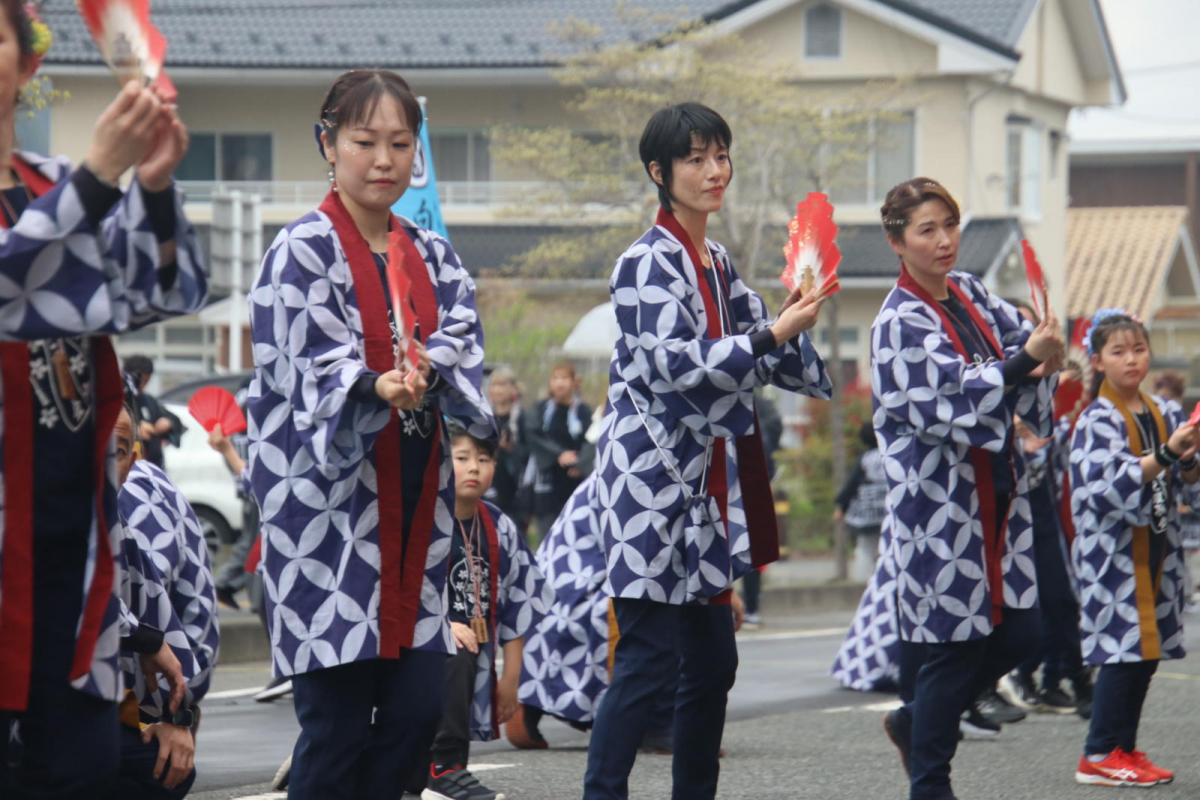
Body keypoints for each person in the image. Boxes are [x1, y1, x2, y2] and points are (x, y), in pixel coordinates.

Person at [245, 69, 493, 800]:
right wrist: (372, 381)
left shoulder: (434, 254)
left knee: (418, 715)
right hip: (329, 526)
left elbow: (464, 337)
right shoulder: (300, 249)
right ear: (328, 144)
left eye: (399, 143)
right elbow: (303, 362)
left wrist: (429, 369)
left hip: (416, 510)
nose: (384, 159)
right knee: (338, 726)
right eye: (364, 141)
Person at [583, 102, 830, 800]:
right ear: (659, 172)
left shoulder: (715, 259)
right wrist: (772, 338)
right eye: (695, 158)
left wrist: (795, 320)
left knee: (713, 662)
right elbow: (678, 365)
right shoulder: (643, 262)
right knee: (644, 662)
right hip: (646, 486)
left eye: (720, 155)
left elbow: (763, 334)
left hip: (699, 491)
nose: (713, 170)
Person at [0, 3, 207, 797]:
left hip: (75, 566)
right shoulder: (77, 187)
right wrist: (98, 178)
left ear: (29, 62)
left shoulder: (54, 187)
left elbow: (167, 290)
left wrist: (151, 184)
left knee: (80, 778)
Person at [870, 177, 1063, 800]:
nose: (945, 240)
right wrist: (1022, 360)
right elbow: (949, 394)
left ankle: (912, 718)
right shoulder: (897, 320)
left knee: (1023, 634)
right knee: (955, 648)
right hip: (940, 508)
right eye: (928, 230)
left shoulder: (972, 292)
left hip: (998, 498)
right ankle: (931, 783)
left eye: (950, 225)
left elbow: (1020, 350)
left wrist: (1043, 354)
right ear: (897, 241)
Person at [1069, 310, 1199, 788]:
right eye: (1118, 352)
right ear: (1098, 361)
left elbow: (1188, 478)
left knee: (1145, 654)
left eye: (1138, 349)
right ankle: (1098, 752)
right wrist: (1166, 454)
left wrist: (1187, 460)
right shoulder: (1094, 419)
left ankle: (1121, 747)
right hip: (1113, 554)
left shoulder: (1163, 410)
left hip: (1157, 546)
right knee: (1123, 651)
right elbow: (1102, 488)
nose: (1131, 360)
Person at [415, 428, 551, 800]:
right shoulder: (422, 516)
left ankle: (441, 769)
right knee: (456, 649)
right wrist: (441, 625)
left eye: (484, 459)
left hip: (477, 647)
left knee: (466, 651)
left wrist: (511, 676)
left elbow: (519, 602)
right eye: (461, 458)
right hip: (418, 646)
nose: (474, 467)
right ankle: (445, 767)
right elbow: (399, 591)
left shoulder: (498, 524)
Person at [110, 398, 220, 799]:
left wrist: (175, 715)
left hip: (127, 700)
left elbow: (184, 618)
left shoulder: (138, 499)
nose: (103, 465)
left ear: (134, 456)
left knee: (160, 764)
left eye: (117, 453)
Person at [527, 363, 592, 539]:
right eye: (555, 378)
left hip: (574, 480)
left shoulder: (584, 412)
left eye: (564, 378)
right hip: (547, 481)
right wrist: (558, 454)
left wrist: (581, 463)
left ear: (574, 382)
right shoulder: (541, 409)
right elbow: (534, 436)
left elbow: (592, 440)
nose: (559, 383)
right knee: (548, 535)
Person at [834, 422, 887, 583]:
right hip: (889, 509)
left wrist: (841, 507)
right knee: (888, 544)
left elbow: (851, 485)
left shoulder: (864, 458)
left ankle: (865, 583)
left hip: (868, 512)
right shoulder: (892, 455)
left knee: (866, 546)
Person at [483, 367, 530, 530]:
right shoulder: (484, 418)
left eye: (502, 385)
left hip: (515, 490)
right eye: (494, 385)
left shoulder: (522, 418)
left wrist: (510, 448)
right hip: (489, 486)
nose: (497, 389)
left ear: (513, 388)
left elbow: (530, 454)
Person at [123, 354, 183, 468]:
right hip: (128, 466)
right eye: (140, 380)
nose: (142, 384)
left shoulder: (149, 401)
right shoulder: (119, 401)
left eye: (146, 380)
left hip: (152, 464)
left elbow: (175, 421)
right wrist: (135, 432)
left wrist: (167, 423)